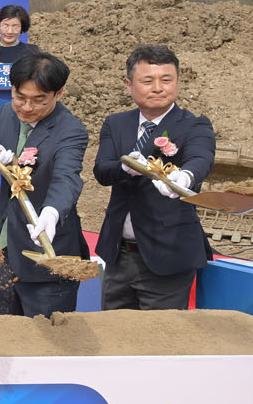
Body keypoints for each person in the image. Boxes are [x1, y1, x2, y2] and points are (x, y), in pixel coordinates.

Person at [0, 49, 91, 316]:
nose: (26, 108)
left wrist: (51, 213)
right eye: (19, 97)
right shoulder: (6, 114)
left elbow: (66, 178)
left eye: (38, 100)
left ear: (59, 94)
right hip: (5, 248)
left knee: (46, 337)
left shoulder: (70, 130)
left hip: (46, 256)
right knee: (2, 331)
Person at [92, 45, 215, 310]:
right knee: (113, 330)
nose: (158, 88)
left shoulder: (194, 125)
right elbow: (102, 170)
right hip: (119, 255)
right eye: (148, 81)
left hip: (167, 255)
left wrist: (185, 177)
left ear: (177, 82)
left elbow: (200, 158)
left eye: (166, 80)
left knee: (160, 333)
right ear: (129, 85)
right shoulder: (116, 123)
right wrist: (126, 168)